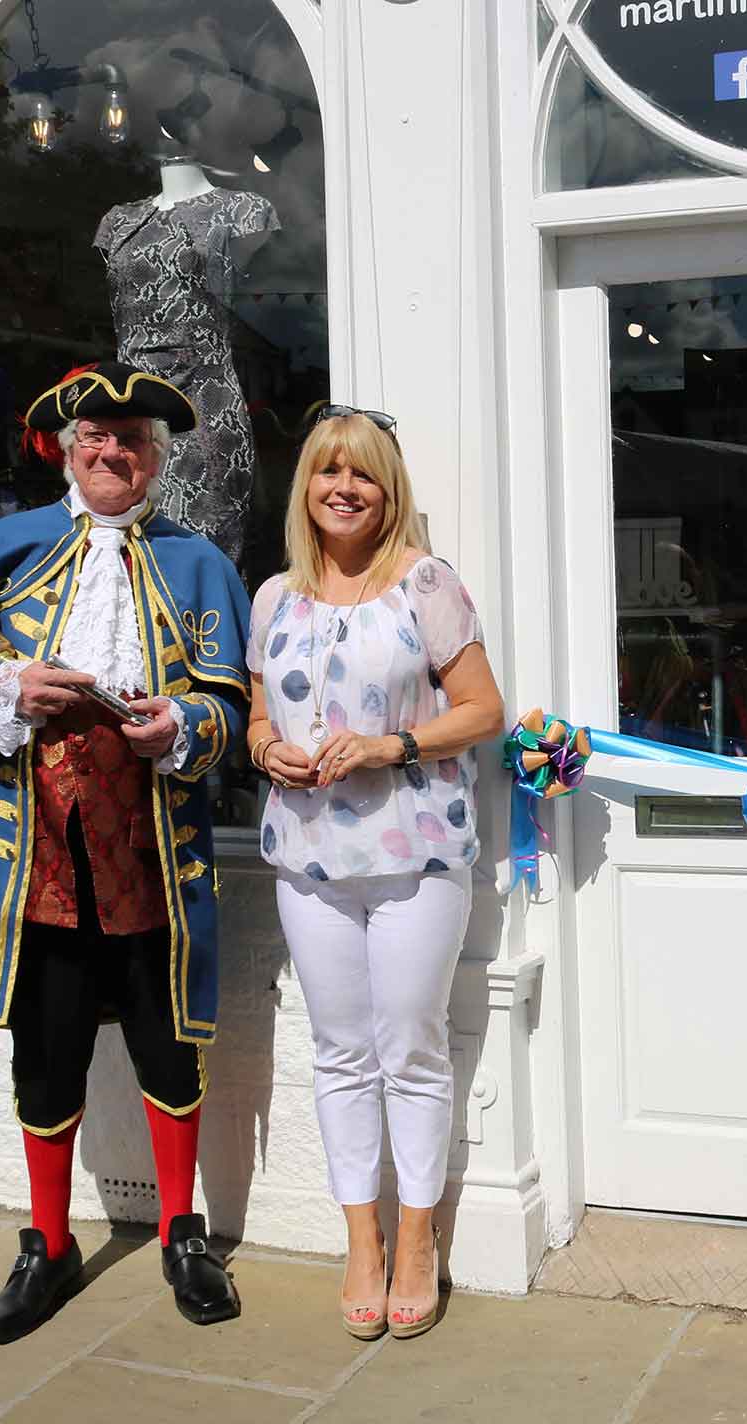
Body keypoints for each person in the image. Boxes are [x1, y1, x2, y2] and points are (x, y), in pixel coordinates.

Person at [0, 363, 250, 1342]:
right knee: (44, 1052)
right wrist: (4, 694)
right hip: (36, 850)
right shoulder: (6, 547)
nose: (112, 451)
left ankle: (183, 1232)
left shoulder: (200, 563)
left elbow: (233, 708)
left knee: (168, 1042)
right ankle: (47, 1242)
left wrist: (183, 726)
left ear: (156, 457)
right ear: (64, 447)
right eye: (95, 436)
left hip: (152, 854)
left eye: (131, 439)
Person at [245, 408, 504, 1340]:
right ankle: (362, 1241)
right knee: (341, 1052)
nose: (343, 490)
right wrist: (267, 744)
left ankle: (419, 1237)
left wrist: (392, 745)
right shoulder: (275, 596)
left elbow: (483, 711)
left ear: (388, 492)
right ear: (304, 489)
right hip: (307, 858)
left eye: (362, 476)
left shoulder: (425, 584)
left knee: (412, 1047)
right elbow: (257, 715)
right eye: (326, 474)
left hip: (415, 851)